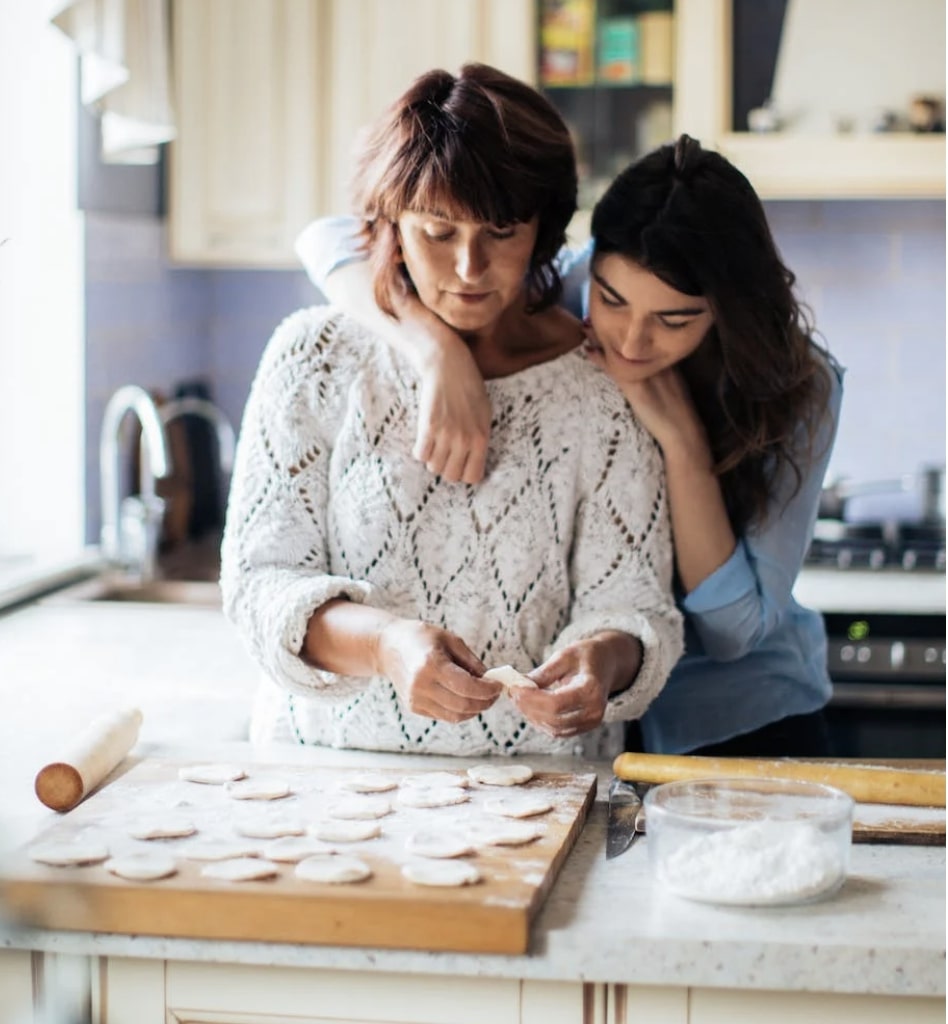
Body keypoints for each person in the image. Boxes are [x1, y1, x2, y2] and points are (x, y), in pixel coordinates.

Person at [296, 134, 844, 758]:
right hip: (591, 728)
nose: (632, 341)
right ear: (591, 263)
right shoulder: (560, 286)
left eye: (675, 319)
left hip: (737, 717)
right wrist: (435, 352)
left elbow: (733, 632)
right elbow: (329, 240)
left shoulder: (801, 386)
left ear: (725, 310)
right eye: (611, 301)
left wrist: (682, 444)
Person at [220, 63, 683, 759]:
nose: (470, 268)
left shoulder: (601, 386)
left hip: (541, 788)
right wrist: (384, 645)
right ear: (390, 225)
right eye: (438, 232)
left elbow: (638, 605)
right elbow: (259, 584)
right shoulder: (314, 358)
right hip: (325, 783)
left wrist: (602, 661)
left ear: (544, 230)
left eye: (501, 232)